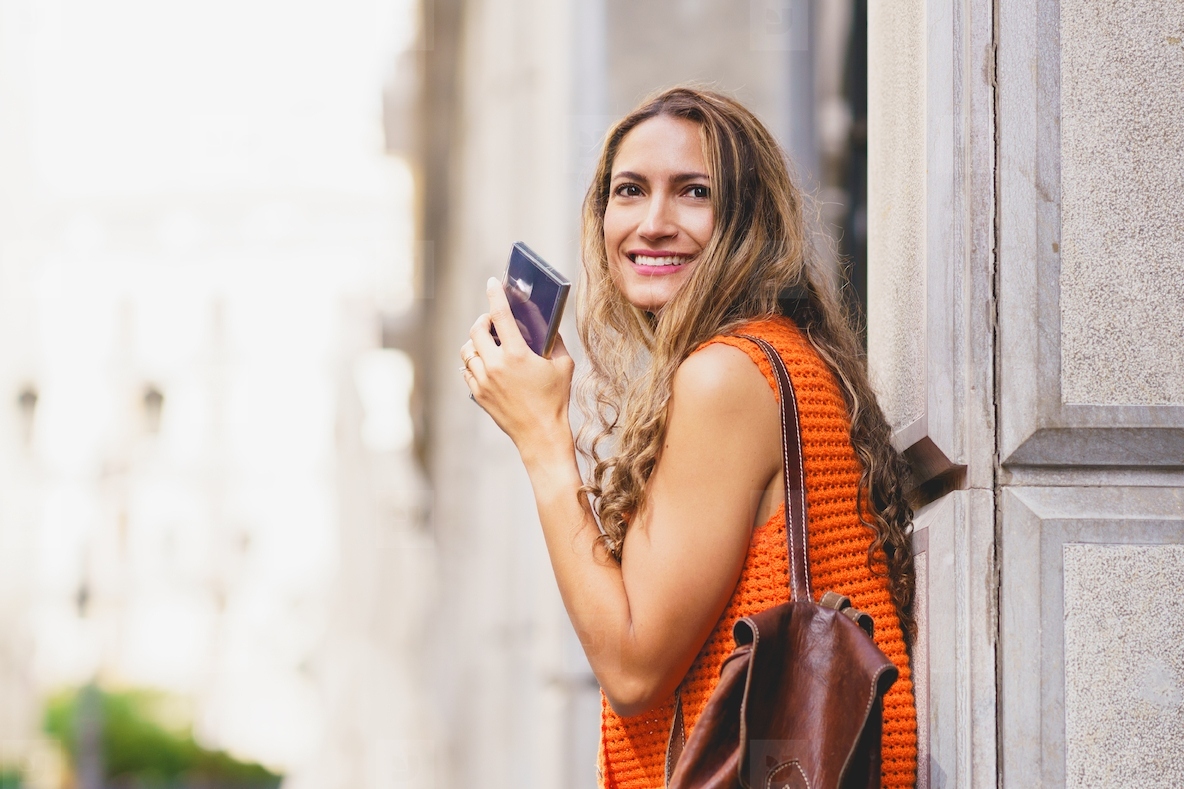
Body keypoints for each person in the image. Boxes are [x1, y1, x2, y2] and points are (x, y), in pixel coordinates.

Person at [459, 87, 917, 788]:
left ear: (748, 221)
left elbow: (634, 666)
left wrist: (542, 435)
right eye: (630, 190)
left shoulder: (724, 378)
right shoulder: (783, 357)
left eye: (693, 192)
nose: (653, 222)